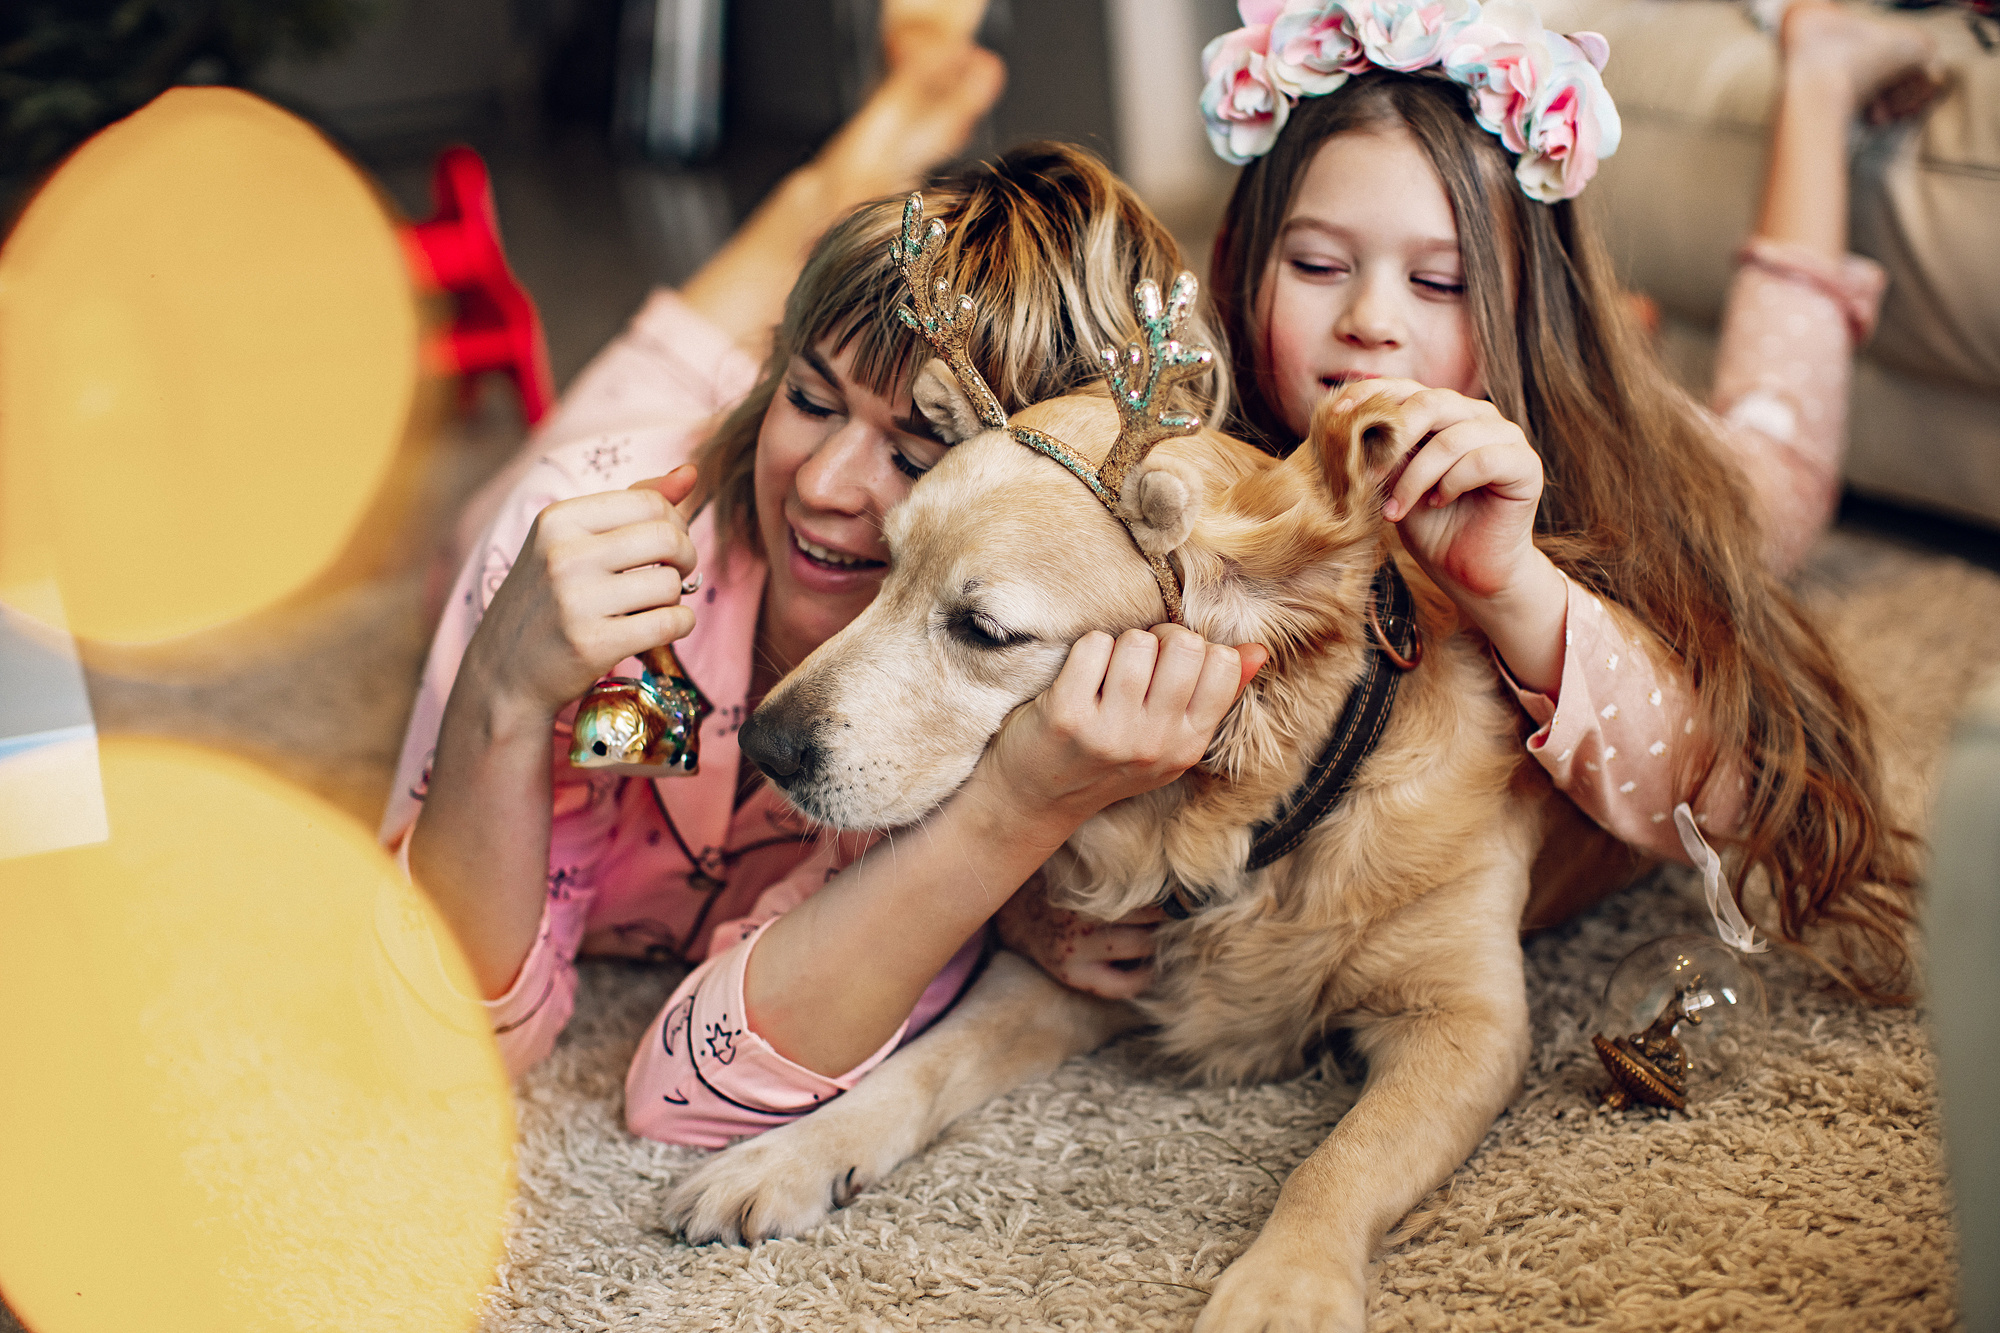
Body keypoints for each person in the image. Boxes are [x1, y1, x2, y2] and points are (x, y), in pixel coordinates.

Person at [382, 129, 1264, 1148]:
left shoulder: (1053, 663)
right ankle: (845, 164)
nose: (822, 482)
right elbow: (429, 1034)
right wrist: (499, 692)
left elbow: (684, 1097)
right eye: (807, 398)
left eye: (919, 449)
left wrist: (1013, 816)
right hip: (628, 491)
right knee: (541, 485)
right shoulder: (596, 557)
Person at [1188, 0, 1945, 1000]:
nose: (1368, 321)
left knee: (1772, 449)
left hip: (1675, 464)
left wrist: (1512, 588)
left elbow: (1714, 800)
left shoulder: (1611, 480)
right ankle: (1624, 324)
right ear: (1246, 268)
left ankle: (1817, 69)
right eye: (1318, 267)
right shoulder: (1202, 442)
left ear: (1519, 308)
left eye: (1441, 282)